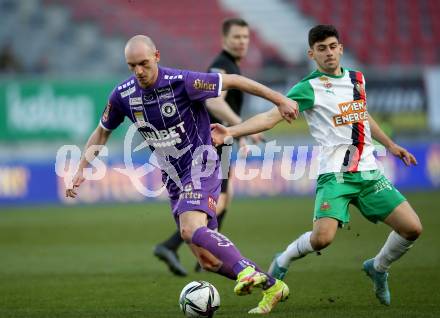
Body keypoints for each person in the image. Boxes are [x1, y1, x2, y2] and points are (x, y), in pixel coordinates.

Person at [65, 35, 298, 314]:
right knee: (208, 261)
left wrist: (280, 99)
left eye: (144, 63)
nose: (139, 71)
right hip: (174, 179)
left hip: (203, 163)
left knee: (190, 228)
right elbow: (102, 131)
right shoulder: (123, 95)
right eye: (132, 66)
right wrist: (81, 168)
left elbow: (235, 81)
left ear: (157, 56)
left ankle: (246, 270)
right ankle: (273, 286)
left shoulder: (182, 81)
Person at [211, 25, 422, 306]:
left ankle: (378, 267)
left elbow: (362, 115)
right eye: (322, 49)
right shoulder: (308, 88)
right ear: (312, 54)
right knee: (322, 239)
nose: (329, 53)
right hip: (334, 176)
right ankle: (283, 258)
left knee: (412, 228)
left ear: (341, 48)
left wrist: (391, 145)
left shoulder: (357, 79)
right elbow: (271, 116)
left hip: (368, 172)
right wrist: (233, 132)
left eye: (333, 46)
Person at [153, 17, 263, 276]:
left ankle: (202, 252)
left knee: (226, 197)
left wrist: (239, 134)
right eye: (236, 37)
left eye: (245, 38)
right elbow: (214, 102)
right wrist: (241, 125)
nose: (242, 42)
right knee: (219, 201)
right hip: (212, 141)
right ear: (225, 40)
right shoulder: (221, 66)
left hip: (221, 140)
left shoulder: (229, 64)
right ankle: (176, 246)